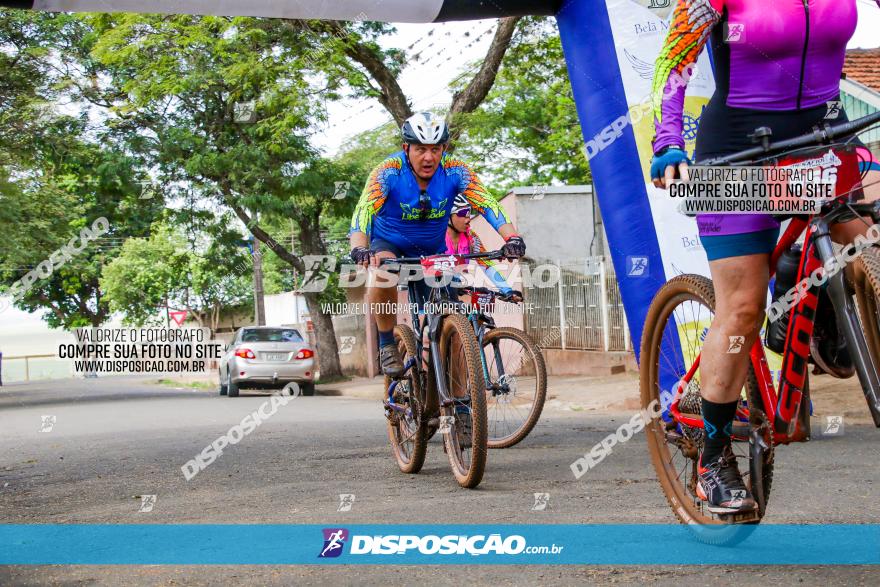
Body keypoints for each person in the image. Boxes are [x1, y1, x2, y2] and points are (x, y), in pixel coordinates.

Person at [650, 0, 880, 514]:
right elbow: (673, 63)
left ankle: (812, 309)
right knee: (743, 308)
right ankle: (713, 459)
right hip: (737, 150)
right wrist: (668, 142)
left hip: (825, 137)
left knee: (869, 253)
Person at [349, 112, 526, 378]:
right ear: (406, 148)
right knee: (382, 273)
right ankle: (386, 342)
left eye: (435, 149)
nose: (429, 157)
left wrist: (512, 238)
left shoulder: (455, 170)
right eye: (420, 149)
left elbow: (486, 204)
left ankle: (463, 409)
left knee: (456, 332)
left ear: (443, 148)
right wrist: (359, 247)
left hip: (433, 249)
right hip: (390, 243)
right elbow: (363, 211)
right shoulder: (388, 172)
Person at [445, 194, 523, 303]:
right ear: (447, 216)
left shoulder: (471, 237)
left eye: (469, 213)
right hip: (433, 288)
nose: (468, 219)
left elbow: (487, 265)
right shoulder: (435, 236)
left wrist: (506, 290)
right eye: (462, 213)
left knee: (479, 306)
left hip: (459, 287)